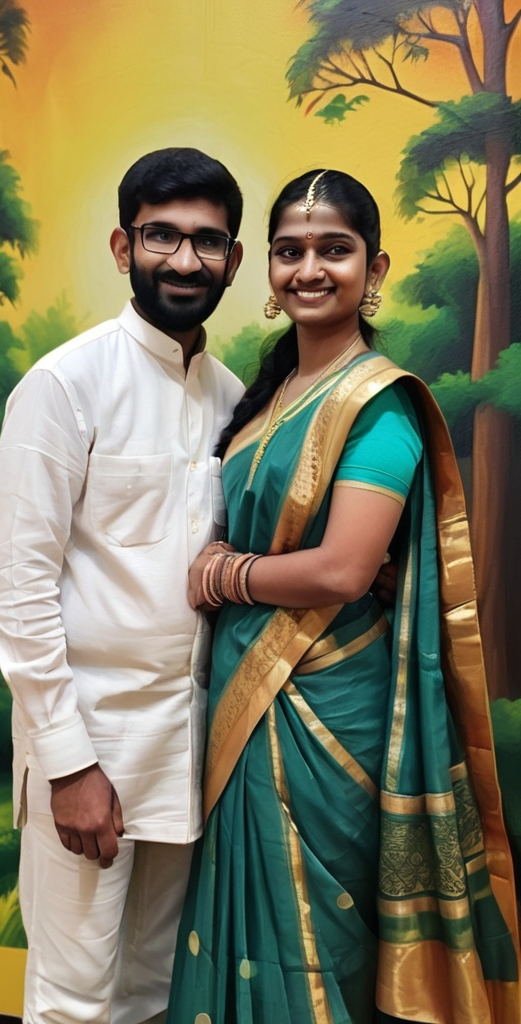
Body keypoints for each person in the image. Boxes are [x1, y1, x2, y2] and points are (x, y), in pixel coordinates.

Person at [166, 169, 521, 1024]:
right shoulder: (270, 393)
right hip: (248, 701)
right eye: (290, 252)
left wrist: (225, 575)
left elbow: (343, 570)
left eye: (335, 250)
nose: (309, 269)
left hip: (332, 713)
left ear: (376, 268)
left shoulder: (381, 404)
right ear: (269, 270)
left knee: (319, 941)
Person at [0, 147, 246, 1024]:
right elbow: (16, 585)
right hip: (88, 748)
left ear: (234, 261)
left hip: (187, 750)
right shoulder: (64, 383)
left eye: (207, 242)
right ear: (121, 246)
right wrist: (69, 766)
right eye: (161, 235)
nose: (183, 259)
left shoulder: (234, 398)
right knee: (73, 1001)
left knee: (151, 991)